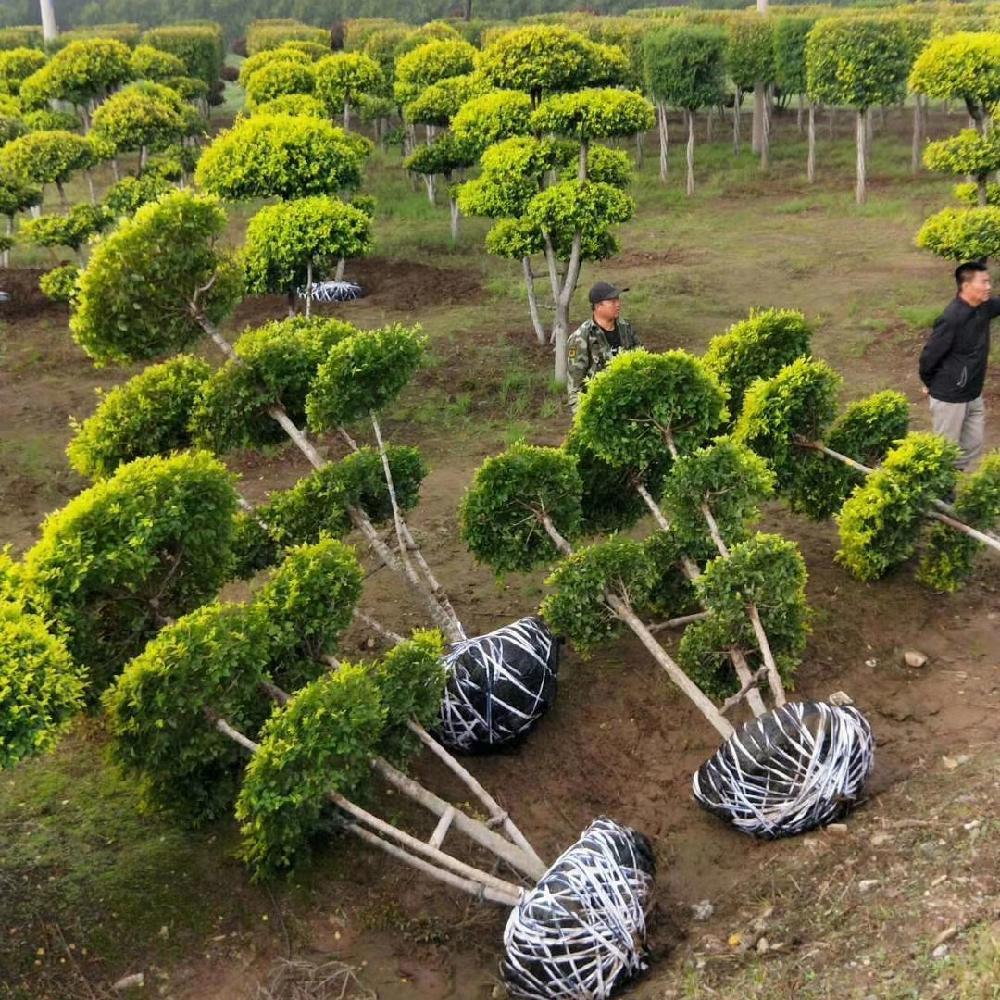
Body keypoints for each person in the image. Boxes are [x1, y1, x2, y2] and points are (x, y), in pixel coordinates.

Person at [919, 261, 999, 472]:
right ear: (966, 286)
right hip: (950, 397)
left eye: (989, 282)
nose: (989, 286)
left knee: (973, 446)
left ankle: (960, 484)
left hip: (973, 393)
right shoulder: (952, 318)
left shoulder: (984, 307)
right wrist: (930, 384)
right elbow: (929, 357)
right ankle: (942, 490)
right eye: (984, 282)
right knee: (945, 451)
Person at [566, 281, 641, 410]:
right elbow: (575, 387)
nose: (618, 304)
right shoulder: (581, 338)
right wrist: (584, 415)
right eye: (612, 301)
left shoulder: (626, 329)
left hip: (629, 402)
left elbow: (641, 359)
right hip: (599, 408)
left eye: (618, 299)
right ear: (598, 306)